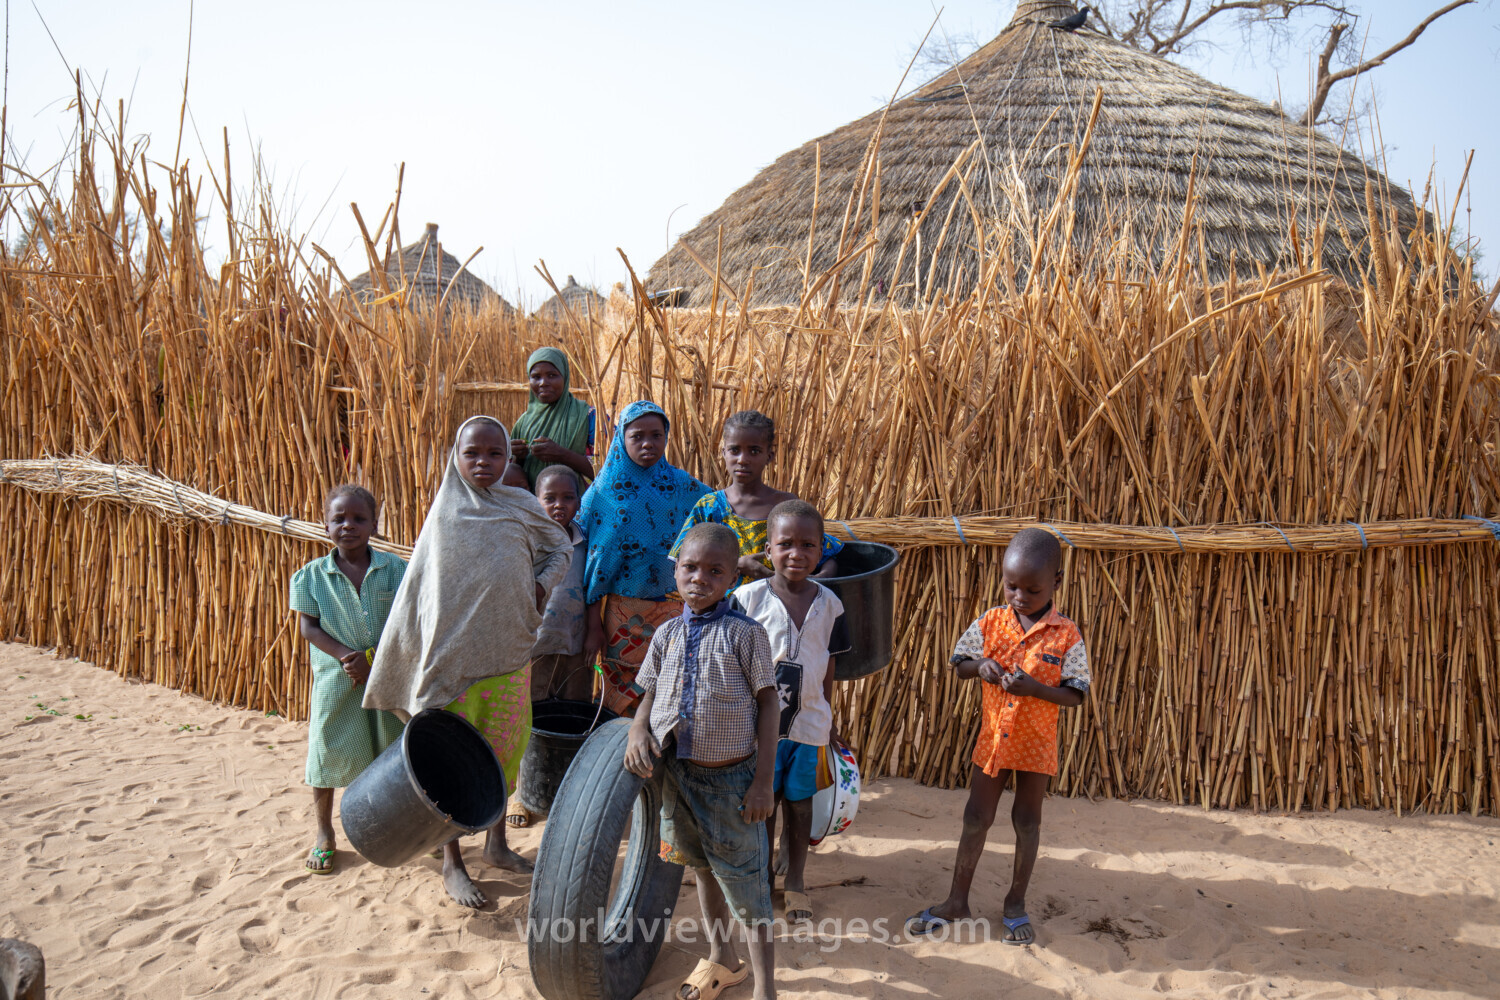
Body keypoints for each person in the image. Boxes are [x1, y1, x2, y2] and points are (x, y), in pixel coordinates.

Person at [363, 416, 573, 908]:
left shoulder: (521, 505)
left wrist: (540, 586)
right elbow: (424, 592)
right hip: (450, 661)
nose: (483, 462)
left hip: (509, 654)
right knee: (445, 762)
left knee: (502, 752)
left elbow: (560, 546)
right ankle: (452, 862)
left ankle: (497, 845)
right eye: (472, 453)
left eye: (495, 454)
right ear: (455, 457)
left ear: (509, 458)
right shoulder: (445, 512)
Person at [907, 527, 1091, 945]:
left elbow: (1076, 694)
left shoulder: (1066, 634)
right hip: (993, 741)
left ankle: (1015, 904)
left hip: (1035, 745)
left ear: (1056, 583)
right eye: (1011, 586)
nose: (1020, 596)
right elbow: (960, 664)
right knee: (976, 817)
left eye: (1032, 589)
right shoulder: (991, 620)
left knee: (1027, 822)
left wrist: (1036, 689)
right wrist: (982, 666)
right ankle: (957, 901)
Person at [623, 522, 778, 1000]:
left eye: (714, 571)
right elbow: (650, 692)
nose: (700, 579)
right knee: (704, 869)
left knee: (748, 890)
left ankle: (766, 989)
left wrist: (763, 783)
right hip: (678, 777)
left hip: (732, 784)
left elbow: (769, 703)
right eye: (690, 568)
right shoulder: (667, 632)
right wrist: (637, 728)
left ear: (732, 577)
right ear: (676, 572)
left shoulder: (746, 634)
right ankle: (723, 958)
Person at [734, 500, 846, 924]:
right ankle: (763, 880)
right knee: (763, 803)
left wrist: (828, 716)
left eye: (807, 545)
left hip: (809, 724)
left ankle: (795, 880)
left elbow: (829, 663)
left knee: (800, 804)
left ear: (821, 550)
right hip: (758, 728)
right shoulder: (747, 599)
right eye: (785, 544)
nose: (796, 554)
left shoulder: (831, 604)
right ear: (768, 549)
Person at [288, 484, 407, 876]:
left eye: (359, 518)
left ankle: (403, 828)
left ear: (374, 525)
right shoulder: (310, 577)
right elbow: (308, 628)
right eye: (338, 519)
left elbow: (407, 621)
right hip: (336, 679)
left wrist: (373, 661)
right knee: (327, 749)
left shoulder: (397, 570)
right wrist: (347, 657)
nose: (348, 526)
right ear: (325, 526)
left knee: (394, 751)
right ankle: (324, 832)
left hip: (386, 675)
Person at [578, 400, 711, 716]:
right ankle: (620, 745)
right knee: (623, 689)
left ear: (666, 437)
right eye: (637, 436)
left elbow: (720, 512)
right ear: (621, 438)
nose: (648, 443)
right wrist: (593, 625)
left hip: (676, 610)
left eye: (656, 435)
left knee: (672, 687)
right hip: (623, 614)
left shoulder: (682, 486)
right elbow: (592, 563)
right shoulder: (603, 493)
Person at [671, 410, 841, 593]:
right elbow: (685, 559)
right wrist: (737, 564)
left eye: (754, 451)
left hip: (779, 604)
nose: (743, 460)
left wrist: (818, 580)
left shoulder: (785, 505)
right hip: (724, 606)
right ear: (723, 453)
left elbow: (826, 552)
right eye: (734, 450)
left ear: (769, 456)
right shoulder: (709, 507)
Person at [506, 464, 591, 829]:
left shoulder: (586, 540)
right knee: (528, 716)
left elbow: (593, 588)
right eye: (550, 498)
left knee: (573, 714)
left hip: (575, 643)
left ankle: (564, 790)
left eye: (568, 497)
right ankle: (522, 795)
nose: (559, 505)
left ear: (579, 502)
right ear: (535, 500)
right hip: (535, 645)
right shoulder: (529, 538)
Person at [508, 347, 595, 489]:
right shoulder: (523, 423)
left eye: (552, 375)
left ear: (565, 377)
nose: (543, 382)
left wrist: (562, 455)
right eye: (536, 377)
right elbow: (511, 480)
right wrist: (518, 457)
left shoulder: (589, 418)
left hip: (581, 502)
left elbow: (612, 471)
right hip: (531, 502)